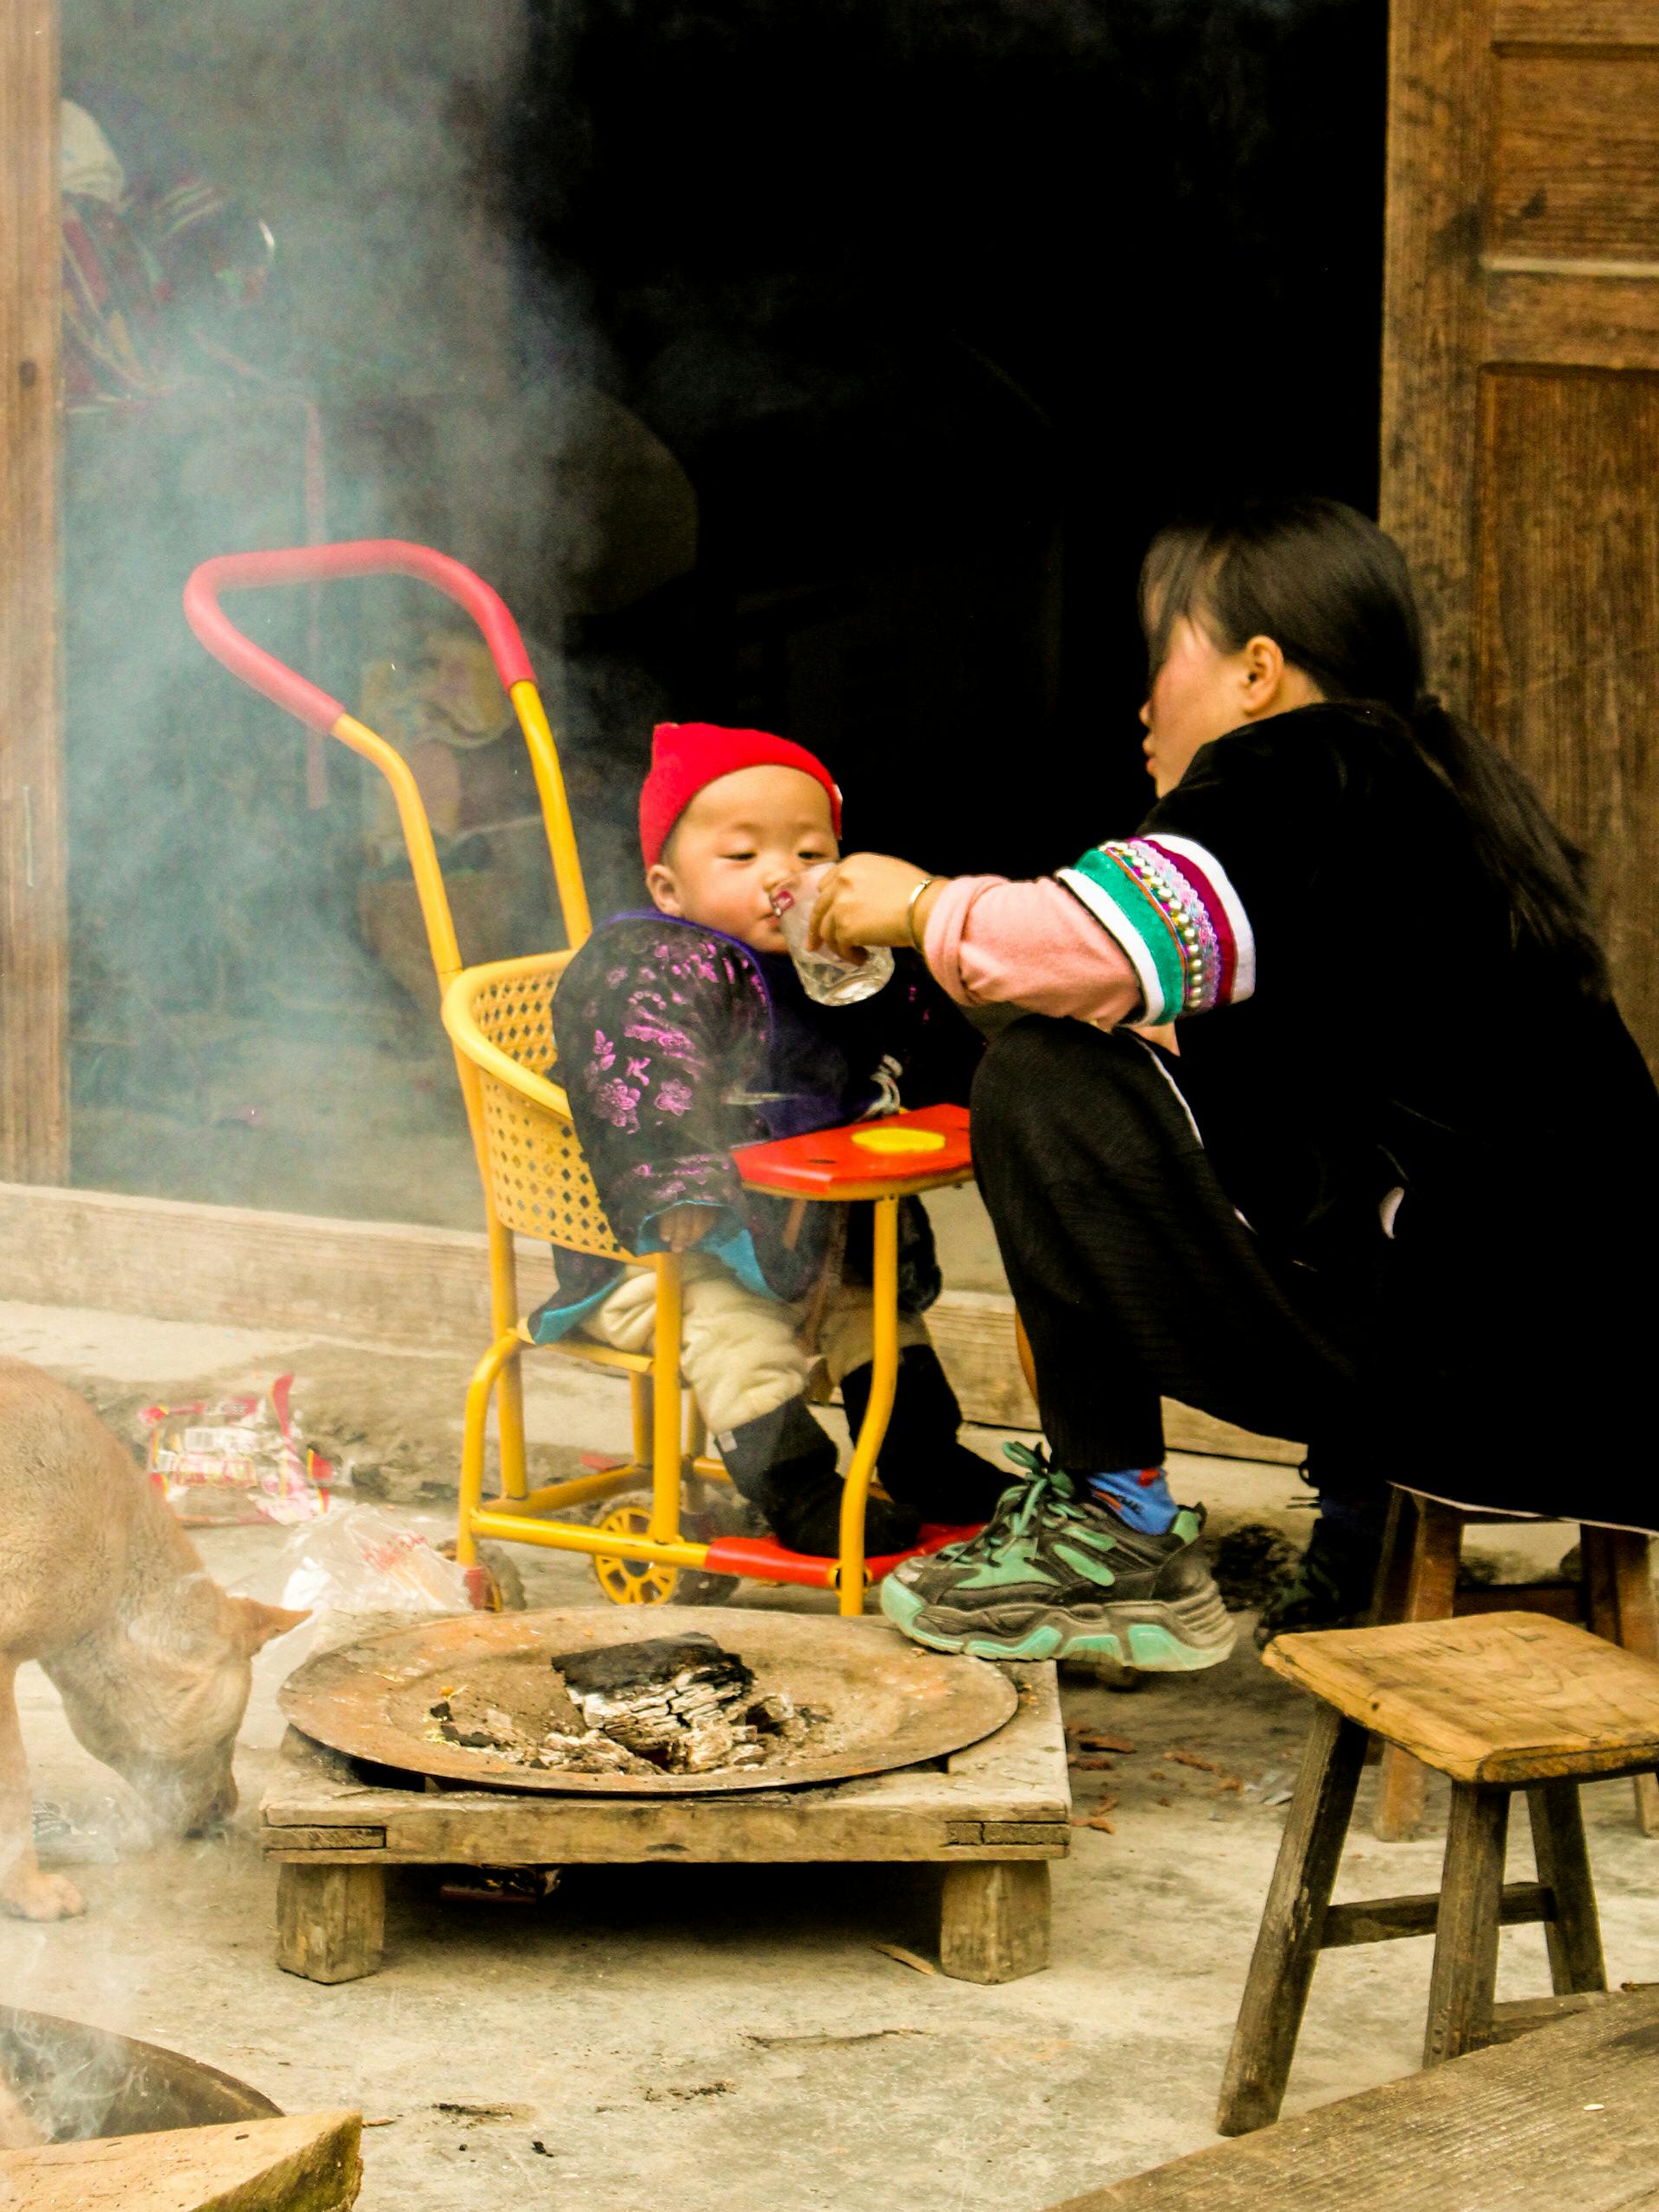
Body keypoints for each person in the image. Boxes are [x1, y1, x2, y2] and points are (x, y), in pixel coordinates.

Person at [811, 496, 1659, 1671]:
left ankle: (1116, 1536)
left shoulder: (1305, 767)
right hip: (1599, 1384)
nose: (1146, 700)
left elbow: (1069, 949)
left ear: (1258, 671)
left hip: (1465, 1378)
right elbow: (1291, 1079)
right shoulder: (1438, 783)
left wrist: (912, 906)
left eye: (1166, 654)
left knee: (1048, 1083)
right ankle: (1364, 1532)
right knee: (1243, 1119)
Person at [533, 722, 997, 1556]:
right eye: (742, 858)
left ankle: (922, 1454)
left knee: (878, 1311)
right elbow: (637, 1062)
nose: (784, 877)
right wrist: (675, 1185)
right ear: (669, 889)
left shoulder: (829, 963)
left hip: (808, 1232)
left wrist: (894, 976)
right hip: (670, 1253)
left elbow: (920, 1050)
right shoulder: (650, 962)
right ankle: (800, 1487)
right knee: (731, 1327)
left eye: (812, 856)